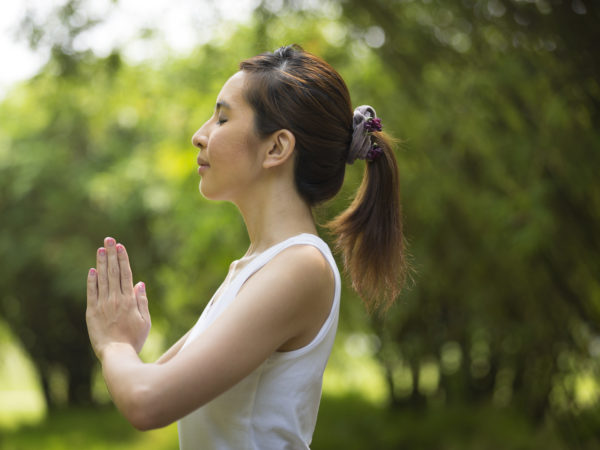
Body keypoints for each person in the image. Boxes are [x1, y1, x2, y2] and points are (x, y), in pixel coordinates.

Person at [85, 44, 407, 449]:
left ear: (276, 148)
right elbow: (145, 384)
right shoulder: (257, 267)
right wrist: (126, 345)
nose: (199, 135)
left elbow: (147, 404)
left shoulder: (300, 268)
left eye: (221, 118)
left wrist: (114, 343)